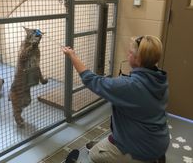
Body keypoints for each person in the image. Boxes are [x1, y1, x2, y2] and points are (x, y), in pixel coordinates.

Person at [62, 35, 169, 163]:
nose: (127, 55)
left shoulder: (129, 85)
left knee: (95, 154)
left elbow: (92, 80)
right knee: (108, 140)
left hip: (139, 148)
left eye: (130, 53)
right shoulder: (160, 79)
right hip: (159, 141)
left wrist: (72, 56)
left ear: (138, 59)